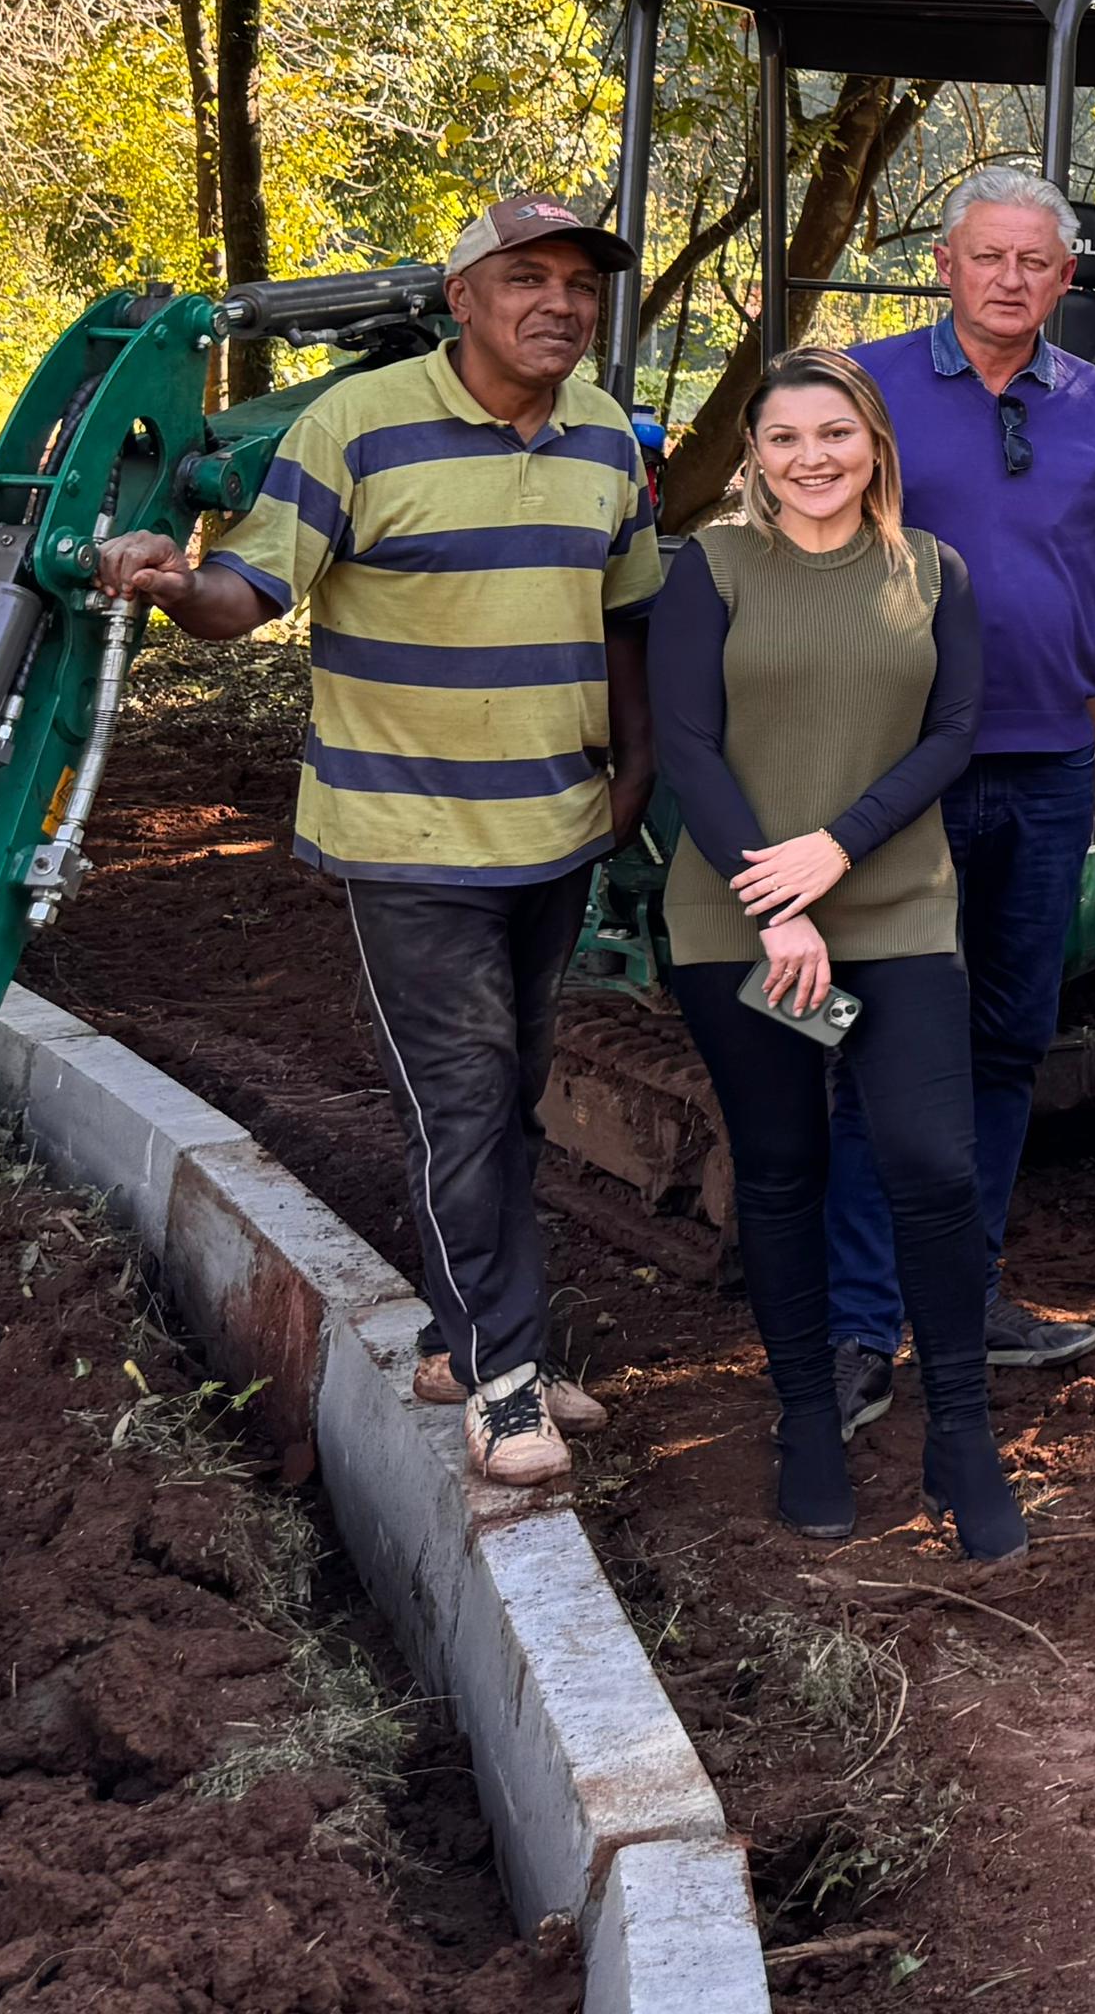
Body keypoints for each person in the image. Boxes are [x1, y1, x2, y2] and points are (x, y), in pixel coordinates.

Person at [94, 192, 659, 1488]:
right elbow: (248, 588)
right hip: (408, 837)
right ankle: (505, 1383)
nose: (559, 303)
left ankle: (467, 1346)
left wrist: (635, 770)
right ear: (462, 299)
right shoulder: (357, 423)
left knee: (508, 1099)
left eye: (579, 284)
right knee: (459, 1104)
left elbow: (626, 613)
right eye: (527, 278)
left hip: (554, 829)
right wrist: (174, 578)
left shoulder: (604, 436)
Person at [648, 352, 1025, 1559]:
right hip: (740, 920)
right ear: (755, 457)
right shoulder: (711, 569)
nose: (811, 458)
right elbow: (687, 745)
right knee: (782, 1167)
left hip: (895, 907)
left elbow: (953, 732)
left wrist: (838, 849)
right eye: (784, 438)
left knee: (932, 1165)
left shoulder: (933, 571)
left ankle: (960, 1432)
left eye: (834, 433)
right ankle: (807, 1416)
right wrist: (775, 902)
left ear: (874, 445)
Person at [835, 168, 1095, 1432]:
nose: (1010, 279)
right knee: (879, 1044)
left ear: (1065, 278)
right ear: (944, 264)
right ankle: (858, 1325)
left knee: (1002, 1043)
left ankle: (964, 1296)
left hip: (1044, 775)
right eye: (987, 257)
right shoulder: (865, 390)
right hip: (895, 771)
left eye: (1035, 262)